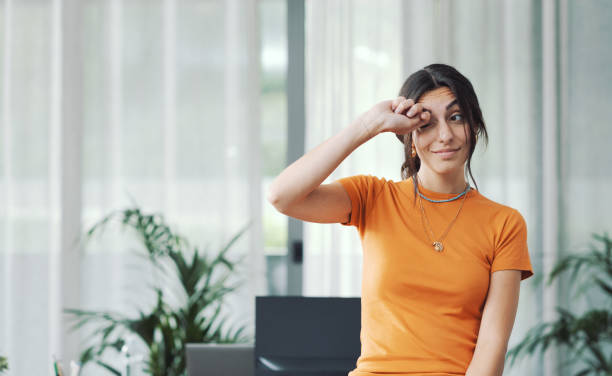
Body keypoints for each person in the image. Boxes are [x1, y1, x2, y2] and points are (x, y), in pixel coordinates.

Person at [266, 63, 534, 376]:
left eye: (456, 117)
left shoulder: (504, 223)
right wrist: (368, 125)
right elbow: (281, 196)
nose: (444, 135)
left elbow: (492, 345)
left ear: (473, 126)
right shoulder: (372, 197)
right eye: (427, 124)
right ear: (408, 137)